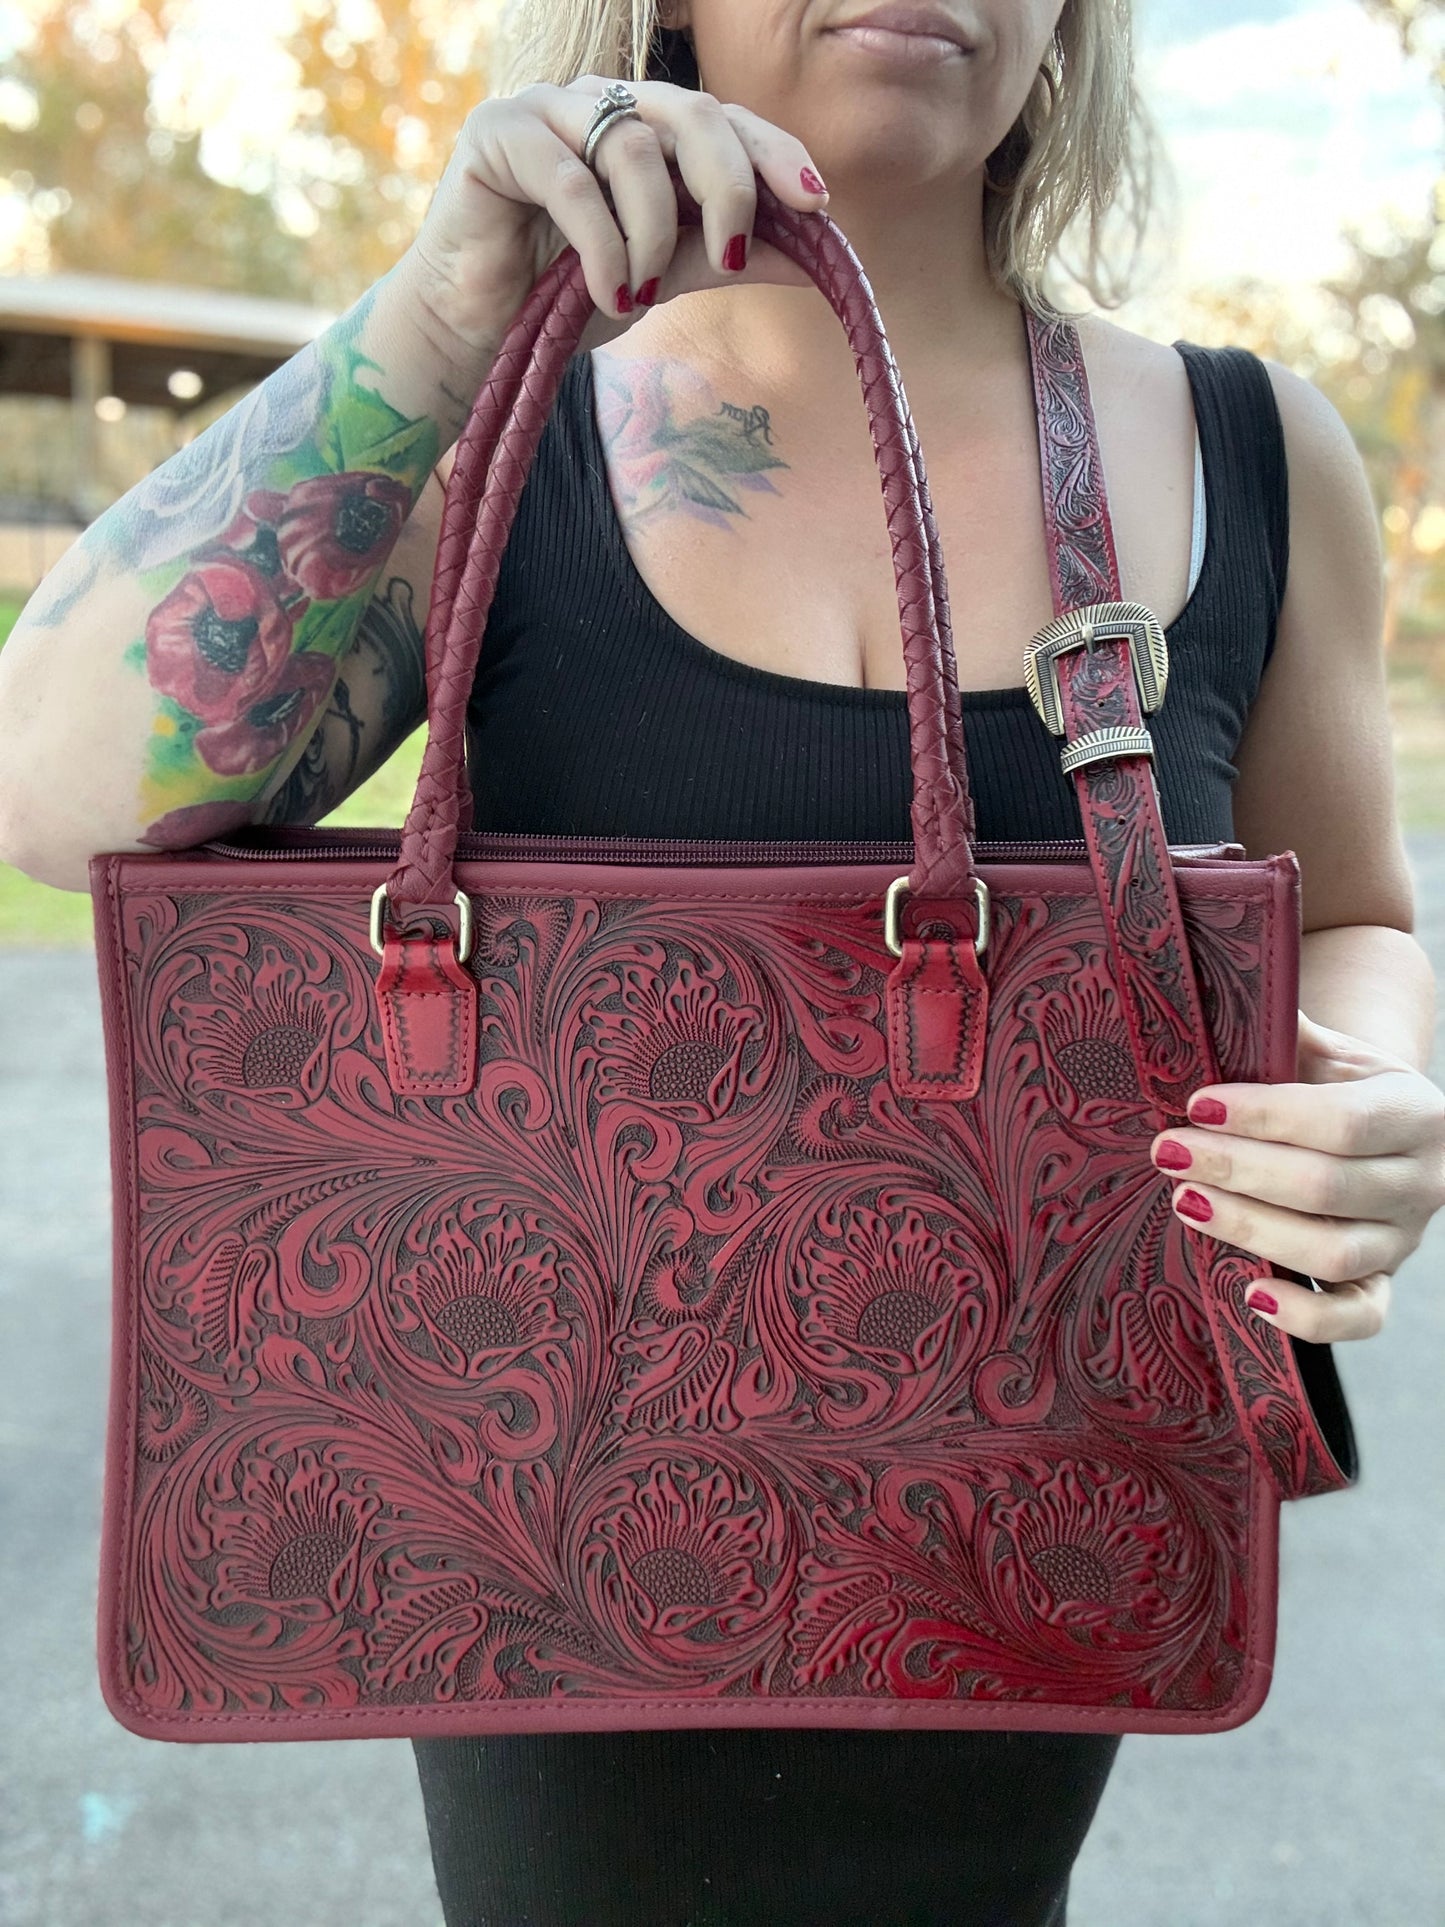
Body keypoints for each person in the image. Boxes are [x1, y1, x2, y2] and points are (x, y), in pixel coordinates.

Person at [3, 1, 1443, 1921]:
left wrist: (1348, 1091)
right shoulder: (488, 443)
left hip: (1036, 1507)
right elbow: (57, 799)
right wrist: (436, 316)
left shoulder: (1247, 451)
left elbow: (1350, 910)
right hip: (544, 1542)